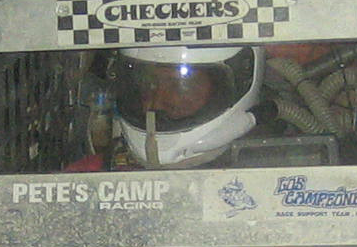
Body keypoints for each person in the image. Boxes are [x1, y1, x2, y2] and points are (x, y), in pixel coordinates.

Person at [107, 44, 265, 167]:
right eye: (148, 84)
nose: (158, 102)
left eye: (177, 85)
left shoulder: (264, 164)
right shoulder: (106, 161)